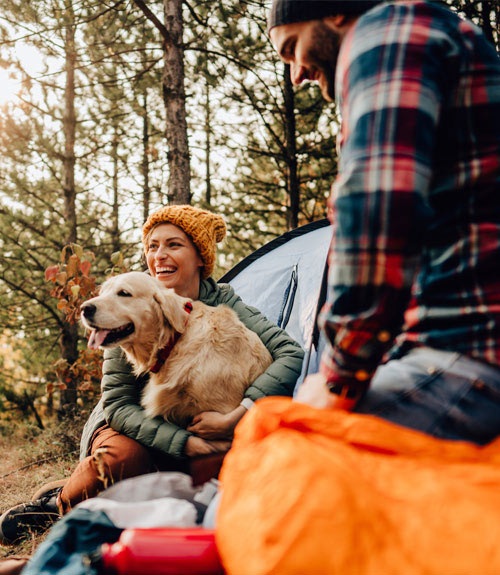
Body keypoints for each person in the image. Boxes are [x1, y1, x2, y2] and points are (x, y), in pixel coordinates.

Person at [0, 204, 304, 544]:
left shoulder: (226, 305)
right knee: (125, 459)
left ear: (200, 257)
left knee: (221, 473)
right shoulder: (126, 299)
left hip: (202, 425)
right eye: (152, 246)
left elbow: (291, 354)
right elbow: (117, 404)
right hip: (132, 425)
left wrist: (239, 414)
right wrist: (184, 443)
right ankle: (55, 506)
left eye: (174, 245)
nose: (159, 255)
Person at [269, 1, 500, 439]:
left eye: (292, 48)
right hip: (462, 348)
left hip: (470, 354)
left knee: (282, 447)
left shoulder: (387, 29)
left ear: (334, 12)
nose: (295, 74)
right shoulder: (425, 35)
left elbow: (379, 203)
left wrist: (340, 377)